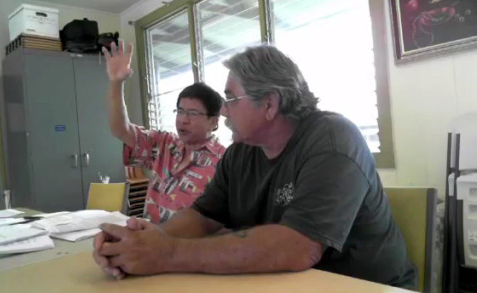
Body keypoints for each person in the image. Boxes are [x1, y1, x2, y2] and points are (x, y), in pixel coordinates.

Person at [93, 45, 417, 289]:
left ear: (270, 104)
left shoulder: (332, 139)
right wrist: (146, 241)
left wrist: (167, 254)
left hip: (363, 286)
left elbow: (298, 248)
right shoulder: (241, 153)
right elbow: (204, 216)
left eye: (230, 98)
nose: (221, 111)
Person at [102, 41, 226, 224]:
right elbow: (121, 130)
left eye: (192, 114)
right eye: (180, 111)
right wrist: (116, 83)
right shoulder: (165, 144)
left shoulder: (224, 162)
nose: (183, 119)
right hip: (150, 241)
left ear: (213, 122)